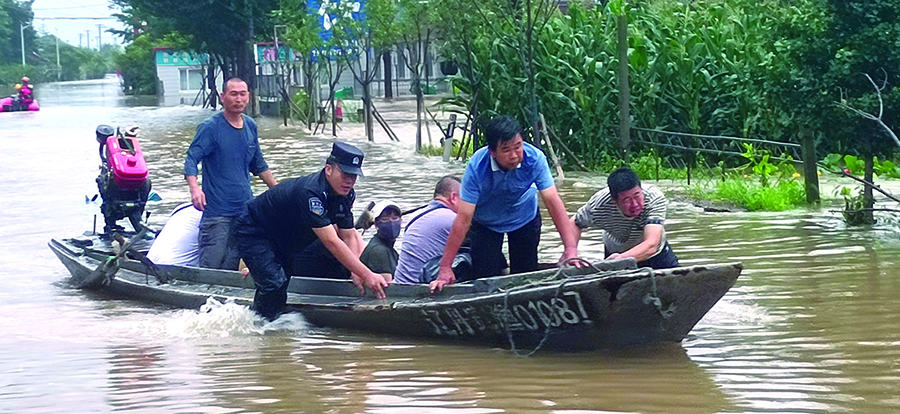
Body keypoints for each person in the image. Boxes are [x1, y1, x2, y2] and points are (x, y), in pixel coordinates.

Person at [233, 141, 388, 321]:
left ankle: (269, 322)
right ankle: (257, 326)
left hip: (286, 236)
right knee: (274, 284)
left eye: (354, 176)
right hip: (254, 229)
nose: (349, 181)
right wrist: (367, 274)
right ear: (328, 169)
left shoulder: (347, 194)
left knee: (283, 282)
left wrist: (356, 271)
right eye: (345, 174)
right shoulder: (312, 194)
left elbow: (348, 235)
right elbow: (331, 241)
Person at [430, 116, 580, 292]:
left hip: (524, 217)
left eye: (518, 146)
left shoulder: (535, 158)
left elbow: (552, 201)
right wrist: (445, 268)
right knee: (484, 280)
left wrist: (570, 248)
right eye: (506, 150)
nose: (514, 155)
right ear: (492, 152)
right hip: (486, 223)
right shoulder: (477, 168)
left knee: (526, 279)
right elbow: (463, 219)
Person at [184, 77, 277, 270]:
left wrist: (278, 190)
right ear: (223, 97)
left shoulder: (250, 126)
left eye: (242, 94)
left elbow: (258, 163)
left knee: (233, 265)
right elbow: (191, 159)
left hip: (244, 210)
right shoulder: (210, 127)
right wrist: (195, 189)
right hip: (217, 212)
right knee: (211, 267)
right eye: (233, 94)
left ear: (248, 97)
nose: (238, 99)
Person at [570, 166, 680, 269]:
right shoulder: (598, 205)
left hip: (655, 254)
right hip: (615, 252)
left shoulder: (654, 199)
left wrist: (621, 259)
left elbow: (651, 244)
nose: (635, 204)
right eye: (626, 200)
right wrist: (571, 252)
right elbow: (575, 222)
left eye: (637, 196)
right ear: (614, 200)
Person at [393, 176, 462, 284]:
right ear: (453, 197)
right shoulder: (452, 219)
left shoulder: (415, 215)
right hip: (420, 287)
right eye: (465, 198)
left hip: (399, 283)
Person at [359, 200, 402, 282]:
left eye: (395, 218)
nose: (391, 222)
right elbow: (388, 286)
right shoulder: (379, 250)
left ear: (401, 221)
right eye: (385, 219)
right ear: (376, 224)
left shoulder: (389, 249)